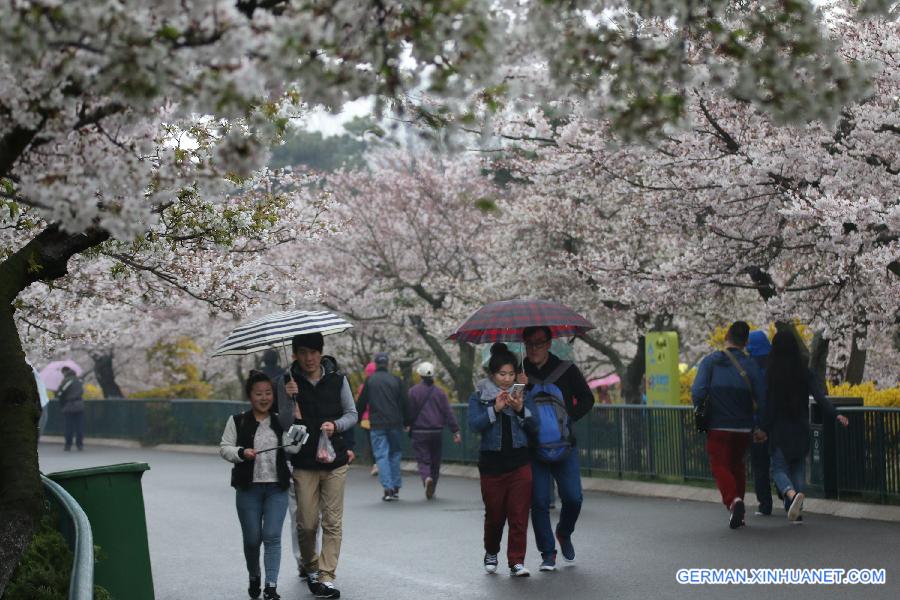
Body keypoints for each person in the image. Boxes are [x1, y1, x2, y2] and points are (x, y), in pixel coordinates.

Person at [281, 332, 357, 599]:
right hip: (303, 463)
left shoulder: (338, 380)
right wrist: (290, 401)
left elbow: (352, 414)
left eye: (314, 352)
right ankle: (311, 566)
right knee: (307, 523)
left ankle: (326, 576)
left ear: (321, 352)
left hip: (334, 461)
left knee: (333, 522)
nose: (309, 358)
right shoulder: (288, 382)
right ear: (295, 355)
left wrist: (336, 425)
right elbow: (283, 425)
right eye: (303, 352)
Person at [219, 371, 301, 600]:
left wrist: (296, 414)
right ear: (249, 396)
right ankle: (254, 575)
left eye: (268, 393)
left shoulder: (281, 421)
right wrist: (241, 453)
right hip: (248, 489)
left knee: (272, 536)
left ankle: (271, 586)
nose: (264, 398)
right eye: (258, 394)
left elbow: (294, 448)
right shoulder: (238, 420)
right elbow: (224, 447)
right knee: (252, 539)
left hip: (277, 488)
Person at [521, 326, 594, 571]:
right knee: (539, 502)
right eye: (529, 343)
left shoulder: (567, 370)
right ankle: (548, 553)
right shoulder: (519, 373)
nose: (534, 348)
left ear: (549, 344)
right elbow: (511, 407)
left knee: (573, 498)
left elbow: (587, 398)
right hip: (533, 448)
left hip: (565, 445)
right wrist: (517, 389)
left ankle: (564, 532)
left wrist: (567, 417)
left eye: (539, 343)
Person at [469, 343, 539, 577]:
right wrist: (495, 410)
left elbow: (535, 426)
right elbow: (473, 425)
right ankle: (491, 551)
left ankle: (516, 561)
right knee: (495, 515)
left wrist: (520, 409)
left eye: (511, 374)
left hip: (520, 462)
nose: (507, 379)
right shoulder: (479, 396)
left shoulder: (522, 394)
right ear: (492, 374)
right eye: (502, 374)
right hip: (492, 465)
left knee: (519, 514)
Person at [764, 331, 849, 523]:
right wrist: (836, 414)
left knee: (778, 469)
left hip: (780, 429)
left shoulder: (771, 373)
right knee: (797, 468)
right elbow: (820, 397)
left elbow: (768, 405)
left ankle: (792, 496)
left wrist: (762, 426)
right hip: (801, 427)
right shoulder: (804, 371)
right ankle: (795, 509)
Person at [691, 321, 767, 529]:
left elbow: (697, 392)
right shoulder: (751, 365)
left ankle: (733, 501)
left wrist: (702, 407)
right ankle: (739, 513)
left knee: (719, 465)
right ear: (746, 342)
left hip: (718, 424)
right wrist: (759, 425)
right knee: (737, 465)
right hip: (744, 426)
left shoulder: (710, 362)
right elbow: (762, 398)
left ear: (727, 336)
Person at [357, 352, 408, 501]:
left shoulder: (370, 381)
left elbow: (361, 402)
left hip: (377, 423)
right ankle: (396, 486)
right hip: (395, 423)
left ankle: (388, 487)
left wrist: (357, 418)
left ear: (376, 363)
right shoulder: (396, 380)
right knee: (395, 453)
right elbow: (405, 401)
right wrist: (407, 421)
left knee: (381, 455)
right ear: (387, 364)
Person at [408, 361, 461, 499]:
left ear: (420, 374)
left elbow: (409, 411)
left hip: (419, 431)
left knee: (423, 459)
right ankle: (433, 486)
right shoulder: (440, 393)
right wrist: (455, 430)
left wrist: (407, 424)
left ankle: (426, 478)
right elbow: (448, 412)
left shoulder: (413, 391)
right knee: (435, 460)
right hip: (436, 431)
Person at [746, 330, 774, 516]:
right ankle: (785, 492)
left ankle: (765, 504)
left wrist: (757, 426)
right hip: (776, 424)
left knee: (760, 466)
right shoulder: (775, 369)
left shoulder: (750, 371)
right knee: (780, 462)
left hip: (757, 425)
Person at [57, 366, 85, 451]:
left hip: (69, 406)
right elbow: (82, 391)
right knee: (79, 426)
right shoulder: (79, 380)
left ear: (65, 372)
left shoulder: (66, 381)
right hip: (80, 405)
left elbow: (60, 394)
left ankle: (68, 445)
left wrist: (62, 404)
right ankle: (80, 445)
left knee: (69, 426)